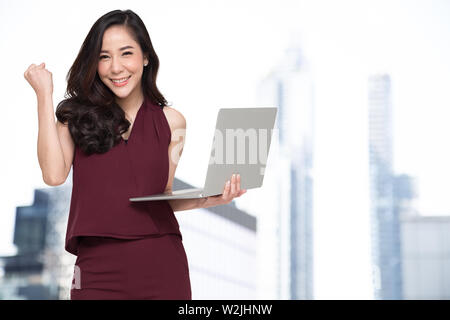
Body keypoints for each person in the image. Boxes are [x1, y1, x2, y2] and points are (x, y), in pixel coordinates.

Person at [24, 9, 246, 300]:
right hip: (96, 268)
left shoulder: (172, 121)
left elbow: (161, 195)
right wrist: (44, 96)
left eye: (126, 53)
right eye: (104, 57)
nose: (116, 68)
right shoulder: (75, 117)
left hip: (162, 263)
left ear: (145, 57)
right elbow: (53, 175)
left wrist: (213, 198)